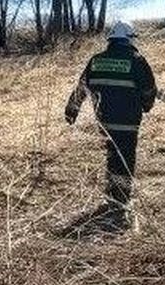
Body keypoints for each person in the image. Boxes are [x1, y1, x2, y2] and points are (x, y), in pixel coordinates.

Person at [65, 21, 158, 223]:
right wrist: (146, 105)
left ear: (111, 40)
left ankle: (112, 195)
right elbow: (149, 90)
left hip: (105, 122)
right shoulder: (137, 60)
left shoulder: (96, 60)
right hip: (128, 122)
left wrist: (72, 110)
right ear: (129, 39)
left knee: (112, 156)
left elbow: (81, 88)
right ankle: (121, 201)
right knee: (125, 159)